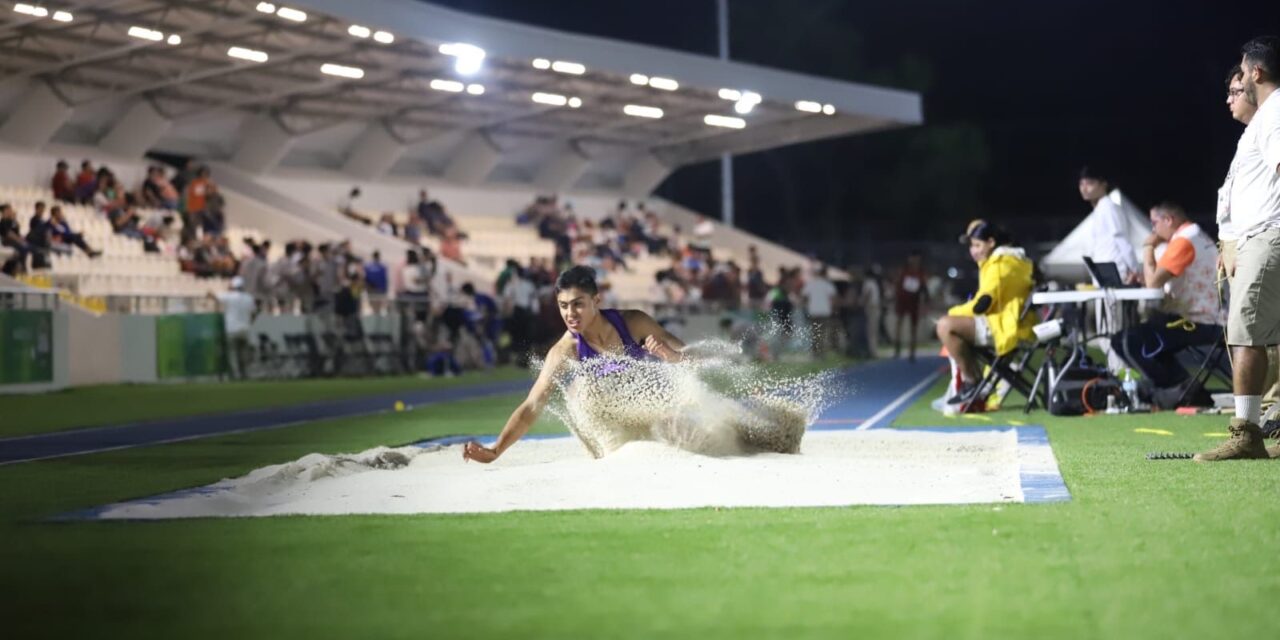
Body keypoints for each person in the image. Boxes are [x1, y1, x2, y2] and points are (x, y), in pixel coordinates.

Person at [462, 266, 689, 463]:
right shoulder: (564, 350)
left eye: (577, 304)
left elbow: (696, 359)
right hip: (611, 421)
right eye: (563, 305)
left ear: (596, 301)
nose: (570, 314)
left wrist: (673, 357)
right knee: (578, 390)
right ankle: (606, 457)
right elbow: (533, 404)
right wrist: (496, 450)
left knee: (664, 389)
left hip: (648, 405)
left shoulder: (633, 322)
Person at [1198, 36, 1280, 461]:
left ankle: (1246, 432)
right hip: (1258, 237)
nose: (1240, 81)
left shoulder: (1275, 111)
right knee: (1260, 333)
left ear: (1257, 73)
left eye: (1243, 74)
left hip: (1268, 235)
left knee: (1247, 333)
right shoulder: (1264, 119)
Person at [1111, 203, 1223, 404]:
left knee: (1129, 340)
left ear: (1168, 220)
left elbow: (1154, 281)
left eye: (1155, 223)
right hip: (1206, 318)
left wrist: (1147, 247)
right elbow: (1157, 278)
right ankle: (1185, 389)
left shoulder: (1183, 241)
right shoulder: (1194, 235)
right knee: (1139, 339)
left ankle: (1178, 390)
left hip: (1199, 321)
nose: (1153, 230)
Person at [935, 220, 1036, 409]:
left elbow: (982, 304)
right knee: (953, 329)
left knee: (945, 325)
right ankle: (970, 386)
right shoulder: (1010, 260)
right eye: (971, 246)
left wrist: (953, 312)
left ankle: (972, 382)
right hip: (1012, 324)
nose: (973, 251)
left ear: (991, 242)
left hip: (1006, 327)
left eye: (977, 245)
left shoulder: (1000, 264)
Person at [209, 277, 258, 380]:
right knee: (243, 354)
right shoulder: (249, 298)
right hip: (245, 329)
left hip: (232, 329)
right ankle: (244, 374)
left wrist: (209, 292)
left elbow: (214, 296)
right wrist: (249, 322)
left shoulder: (229, 297)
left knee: (232, 354)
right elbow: (254, 313)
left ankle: (235, 376)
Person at [893, 252, 929, 362]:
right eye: (912, 259)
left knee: (913, 328)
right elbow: (898, 284)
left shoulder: (921, 273)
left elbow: (924, 289)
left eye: (916, 260)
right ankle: (897, 349)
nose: (914, 262)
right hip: (903, 301)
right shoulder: (904, 271)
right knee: (899, 324)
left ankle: (912, 352)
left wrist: (925, 303)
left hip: (914, 302)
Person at [801, 266, 838, 358]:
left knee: (814, 332)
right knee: (823, 333)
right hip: (825, 311)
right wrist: (833, 309)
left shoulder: (811, 284)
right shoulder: (827, 284)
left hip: (813, 311)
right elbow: (833, 298)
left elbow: (804, 297)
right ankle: (821, 353)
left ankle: (815, 353)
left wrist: (807, 306)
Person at [364, 251, 389, 315]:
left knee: (373, 307)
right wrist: (385, 290)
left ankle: (375, 317)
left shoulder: (368, 267)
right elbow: (384, 279)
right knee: (378, 307)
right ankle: (377, 318)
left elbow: (366, 279)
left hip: (371, 290)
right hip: (379, 290)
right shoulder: (382, 267)